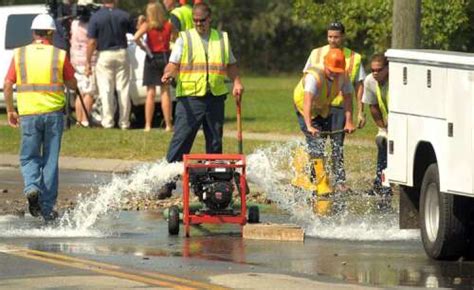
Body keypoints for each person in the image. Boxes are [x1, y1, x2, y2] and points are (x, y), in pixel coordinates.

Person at [156, 2, 244, 199]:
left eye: (202, 21)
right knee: (181, 141)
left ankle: (213, 186)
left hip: (215, 97)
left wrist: (237, 82)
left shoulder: (221, 38)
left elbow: (231, 64)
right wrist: (168, 75)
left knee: (214, 143)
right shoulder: (184, 39)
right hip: (190, 99)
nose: (198, 24)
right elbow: (173, 64)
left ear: (209, 19)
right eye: (195, 21)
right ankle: (167, 183)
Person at [3, 14, 77, 222]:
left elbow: (8, 85)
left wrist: (10, 110)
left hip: (28, 115)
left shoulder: (19, 54)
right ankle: (46, 209)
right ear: (51, 33)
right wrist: (73, 82)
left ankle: (32, 187)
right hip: (53, 115)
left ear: (33, 32)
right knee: (50, 161)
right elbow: (72, 84)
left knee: (29, 157)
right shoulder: (59, 55)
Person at [303, 21, 366, 192]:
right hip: (318, 107)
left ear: (343, 37)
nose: (332, 40)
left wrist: (359, 112)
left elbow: (358, 87)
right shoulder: (316, 53)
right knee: (317, 144)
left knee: (337, 145)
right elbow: (307, 80)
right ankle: (315, 179)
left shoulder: (354, 57)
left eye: (336, 37)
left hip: (339, 107)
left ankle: (339, 181)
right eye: (330, 36)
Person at [293, 48, 355, 201]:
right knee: (316, 142)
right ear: (325, 64)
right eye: (331, 70)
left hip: (321, 107)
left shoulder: (343, 76)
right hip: (304, 107)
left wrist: (349, 121)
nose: (334, 73)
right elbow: (307, 101)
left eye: (337, 70)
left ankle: (304, 173)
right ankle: (322, 185)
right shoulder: (314, 77)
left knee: (319, 143)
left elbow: (347, 98)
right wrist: (309, 125)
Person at [85, 0, 134, 129]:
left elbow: (91, 42)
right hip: (121, 52)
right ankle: (124, 122)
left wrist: (87, 62)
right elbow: (135, 30)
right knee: (123, 89)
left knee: (106, 89)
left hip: (104, 53)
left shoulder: (96, 17)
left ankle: (108, 121)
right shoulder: (124, 15)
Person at [134, 2, 173, 132]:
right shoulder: (168, 24)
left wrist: (143, 47)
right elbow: (175, 37)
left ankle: (148, 125)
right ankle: (168, 124)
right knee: (165, 91)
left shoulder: (148, 26)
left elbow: (135, 38)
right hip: (166, 57)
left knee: (150, 92)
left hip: (152, 57)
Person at [362, 53, 392, 196]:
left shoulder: (397, 81)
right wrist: (382, 129)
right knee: (382, 144)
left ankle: (384, 184)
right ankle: (381, 185)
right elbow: (373, 106)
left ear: (388, 68)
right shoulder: (370, 81)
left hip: (402, 122)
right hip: (387, 123)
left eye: (379, 70)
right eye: (373, 69)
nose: (375, 73)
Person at [70, 2, 97, 127]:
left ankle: (78, 120)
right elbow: (92, 43)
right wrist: (88, 64)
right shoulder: (91, 24)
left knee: (80, 92)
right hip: (88, 62)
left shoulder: (74, 24)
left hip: (76, 61)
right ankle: (85, 120)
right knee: (89, 92)